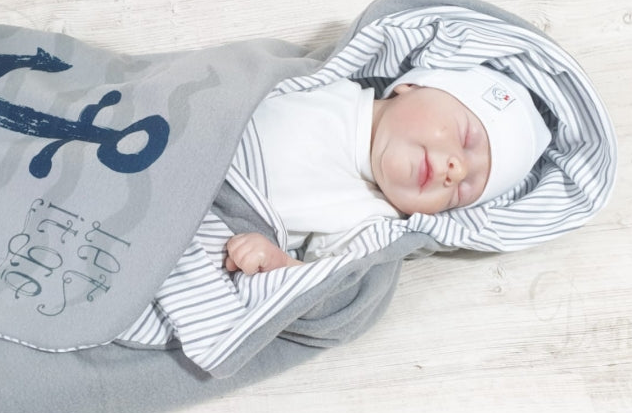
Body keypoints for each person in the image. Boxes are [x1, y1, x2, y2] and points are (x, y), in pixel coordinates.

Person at [225, 65, 552, 274]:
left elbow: (327, 282)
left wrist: (279, 262)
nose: (456, 170)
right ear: (410, 86)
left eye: (461, 191)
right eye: (466, 137)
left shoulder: (373, 220)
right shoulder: (324, 84)